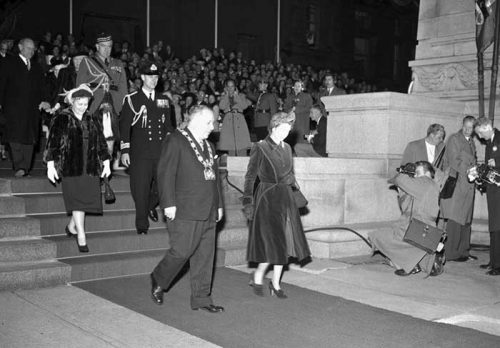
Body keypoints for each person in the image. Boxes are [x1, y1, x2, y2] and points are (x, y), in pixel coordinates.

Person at [150, 105, 225, 313]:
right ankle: (159, 277)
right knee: (182, 251)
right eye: (209, 122)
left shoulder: (209, 145)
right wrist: (168, 203)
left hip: (208, 209)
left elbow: (214, 177)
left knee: (205, 256)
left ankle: (202, 298)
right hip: (184, 208)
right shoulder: (176, 140)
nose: (213, 127)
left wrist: (219, 205)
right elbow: (165, 173)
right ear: (196, 120)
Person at [242, 112, 311, 298]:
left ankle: (275, 283)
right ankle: (258, 275)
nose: (286, 133)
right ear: (273, 127)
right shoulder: (260, 147)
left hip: (285, 198)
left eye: (288, 130)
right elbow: (250, 177)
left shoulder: (288, 147)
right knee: (273, 242)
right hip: (267, 198)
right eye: (283, 129)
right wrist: (248, 201)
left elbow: (289, 172)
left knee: (285, 241)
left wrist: (294, 184)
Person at [44, 84, 111, 253]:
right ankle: (81, 234)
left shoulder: (92, 118)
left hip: (89, 166)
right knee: (77, 200)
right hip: (70, 166)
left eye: (86, 104)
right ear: (72, 102)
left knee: (85, 200)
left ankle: (72, 226)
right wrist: (51, 164)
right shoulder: (62, 118)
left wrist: (107, 162)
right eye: (79, 104)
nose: (83, 107)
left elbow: (101, 142)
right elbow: (52, 142)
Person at [120, 62, 174, 234]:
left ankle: (149, 206)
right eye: (150, 76)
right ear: (142, 77)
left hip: (160, 151)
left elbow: (168, 127)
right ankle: (142, 225)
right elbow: (125, 127)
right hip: (140, 152)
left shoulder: (163, 100)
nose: (154, 80)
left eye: (156, 76)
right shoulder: (132, 99)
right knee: (140, 188)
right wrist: (125, 150)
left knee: (163, 186)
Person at [369, 161, 441, 276]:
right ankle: (420, 263)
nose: (415, 175)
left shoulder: (425, 182)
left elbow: (400, 180)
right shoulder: (431, 185)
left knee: (378, 236)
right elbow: (406, 206)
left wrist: (404, 172)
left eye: (417, 172)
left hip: (418, 230)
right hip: (426, 231)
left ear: (427, 173)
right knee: (394, 238)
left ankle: (409, 265)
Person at [0, 38, 50, 177]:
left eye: (33, 49)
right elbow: (2, 83)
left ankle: (25, 169)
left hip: (32, 109)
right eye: (29, 48)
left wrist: (45, 101)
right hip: (13, 108)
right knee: (14, 138)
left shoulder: (37, 67)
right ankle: (19, 167)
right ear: (20, 47)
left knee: (30, 139)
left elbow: (42, 88)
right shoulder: (8, 63)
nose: (31, 51)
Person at [76, 32, 127, 168]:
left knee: (112, 138)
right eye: (103, 46)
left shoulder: (118, 63)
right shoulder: (87, 62)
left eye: (109, 46)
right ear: (97, 46)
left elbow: (123, 87)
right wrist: (82, 106)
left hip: (113, 103)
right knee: (92, 137)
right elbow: (80, 85)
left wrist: (122, 105)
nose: (107, 49)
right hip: (94, 103)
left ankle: (107, 168)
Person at [440, 116, 477, 262]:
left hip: (468, 185)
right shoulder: (454, 139)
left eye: (471, 128)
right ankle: (451, 253)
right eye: (465, 127)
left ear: (474, 129)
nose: (467, 130)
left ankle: (463, 252)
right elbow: (454, 161)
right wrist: (470, 171)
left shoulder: (471, 142)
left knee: (466, 220)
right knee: (455, 219)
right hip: (458, 185)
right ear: (462, 125)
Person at [470, 117, 500, 275]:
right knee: (494, 227)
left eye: (480, 133)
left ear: (487, 127)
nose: (480, 137)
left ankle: (498, 266)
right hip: (493, 190)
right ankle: (494, 261)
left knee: (498, 227)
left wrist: (497, 162)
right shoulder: (490, 142)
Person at [218, 79, 252, 156]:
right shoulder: (223, 97)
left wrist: (236, 96)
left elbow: (244, 106)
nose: (230, 88)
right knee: (231, 145)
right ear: (226, 88)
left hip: (239, 120)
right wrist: (226, 96)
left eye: (232, 86)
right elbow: (222, 106)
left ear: (235, 87)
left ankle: (243, 165)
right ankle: (232, 165)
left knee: (242, 145)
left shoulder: (241, 96)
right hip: (228, 121)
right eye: (228, 86)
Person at [284, 80, 313, 148]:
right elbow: (285, 108)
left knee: (302, 139)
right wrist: (290, 110)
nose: (296, 87)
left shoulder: (307, 96)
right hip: (292, 122)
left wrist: (297, 109)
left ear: (302, 88)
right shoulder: (289, 97)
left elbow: (309, 107)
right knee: (292, 140)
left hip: (303, 121)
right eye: (295, 86)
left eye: (298, 86)